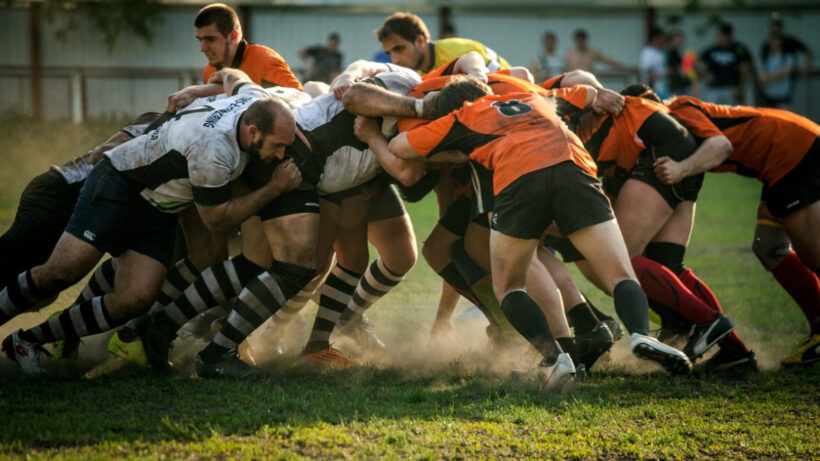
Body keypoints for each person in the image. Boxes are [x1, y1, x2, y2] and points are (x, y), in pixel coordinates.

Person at [1, 69, 302, 375]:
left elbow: (231, 74)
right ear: (253, 132)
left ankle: (26, 340)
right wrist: (274, 189)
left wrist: (194, 91)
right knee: (63, 271)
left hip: (158, 207)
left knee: (135, 298)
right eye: (277, 145)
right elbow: (216, 221)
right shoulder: (213, 149)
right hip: (121, 181)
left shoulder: (253, 97)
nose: (281, 154)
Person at [653, 94, 820, 367]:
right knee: (767, 247)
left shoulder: (678, 110)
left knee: (814, 256)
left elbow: (722, 146)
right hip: (781, 157)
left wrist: (681, 169)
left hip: (791, 152)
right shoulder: (676, 115)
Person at [196, 3, 301, 90]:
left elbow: (299, 101)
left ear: (233, 37)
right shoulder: (209, 72)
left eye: (210, 39)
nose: (203, 48)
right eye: (200, 40)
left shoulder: (265, 63)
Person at [375, 12, 509, 76]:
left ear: (420, 42)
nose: (394, 60)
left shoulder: (459, 52)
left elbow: (500, 83)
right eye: (389, 53)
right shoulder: (421, 75)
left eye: (399, 49)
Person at [759, 12, 814, 107]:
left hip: (787, 84)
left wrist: (805, 69)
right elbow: (762, 67)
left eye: (777, 25)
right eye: (773, 25)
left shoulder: (790, 41)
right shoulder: (766, 44)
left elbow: (809, 53)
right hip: (769, 89)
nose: (775, 28)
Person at [698, 22, 751, 105]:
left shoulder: (738, 49)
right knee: (712, 115)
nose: (716, 38)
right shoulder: (710, 50)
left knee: (732, 115)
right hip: (713, 89)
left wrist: (740, 87)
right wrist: (704, 76)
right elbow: (696, 63)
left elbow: (744, 69)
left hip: (731, 89)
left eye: (719, 35)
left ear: (726, 36)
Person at [564, 29, 635, 74]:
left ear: (585, 40)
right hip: (573, 84)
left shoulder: (592, 53)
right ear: (575, 40)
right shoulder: (569, 54)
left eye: (582, 40)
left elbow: (609, 61)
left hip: (589, 82)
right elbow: (565, 70)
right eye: (578, 40)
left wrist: (626, 67)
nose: (580, 42)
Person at [758, 37, 795, 109]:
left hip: (783, 94)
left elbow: (786, 72)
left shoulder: (787, 56)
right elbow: (761, 78)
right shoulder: (763, 58)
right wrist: (779, 74)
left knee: (783, 118)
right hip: (768, 95)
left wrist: (768, 78)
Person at [638, 27, 668, 98]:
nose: (663, 40)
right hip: (652, 90)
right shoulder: (647, 52)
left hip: (662, 88)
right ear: (656, 38)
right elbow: (647, 73)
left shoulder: (661, 52)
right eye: (662, 38)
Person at [666, 30, 697, 97]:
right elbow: (682, 72)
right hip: (677, 88)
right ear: (672, 41)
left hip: (682, 87)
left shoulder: (682, 53)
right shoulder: (672, 54)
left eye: (681, 41)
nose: (679, 42)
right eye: (677, 41)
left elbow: (688, 70)